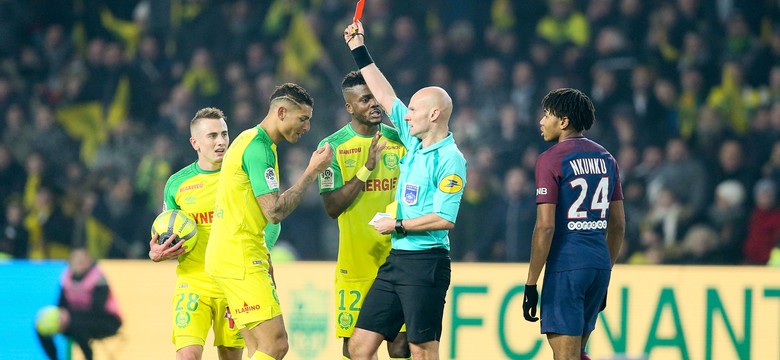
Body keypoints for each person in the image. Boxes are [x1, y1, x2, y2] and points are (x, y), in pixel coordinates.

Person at [342, 21, 467, 360]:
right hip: (397, 259)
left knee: (421, 350)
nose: (405, 116)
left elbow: (444, 218)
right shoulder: (414, 143)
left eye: (413, 110)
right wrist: (358, 49)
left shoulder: (451, 159)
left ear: (435, 114)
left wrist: (397, 225)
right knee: (359, 347)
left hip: (427, 262)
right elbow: (385, 94)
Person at [205, 83, 332, 360]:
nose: (307, 127)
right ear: (282, 112)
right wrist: (310, 172)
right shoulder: (259, 149)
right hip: (240, 256)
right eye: (303, 119)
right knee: (276, 344)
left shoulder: (251, 140)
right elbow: (273, 212)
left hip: (233, 254)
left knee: (257, 348)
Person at [148, 107, 280, 360]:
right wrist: (156, 250)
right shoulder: (177, 183)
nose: (220, 142)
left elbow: (272, 221)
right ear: (194, 142)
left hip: (233, 282)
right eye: (212, 136)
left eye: (224, 134)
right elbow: (167, 227)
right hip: (193, 282)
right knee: (188, 356)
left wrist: (258, 254)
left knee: (231, 356)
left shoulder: (243, 174)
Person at [522, 88, 625, 360]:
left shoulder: (550, 159)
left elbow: (545, 227)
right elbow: (617, 227)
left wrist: (531, 283)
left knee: (565, 357)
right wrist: (605, 270)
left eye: (547, 115)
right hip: (599, 264)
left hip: (567, 265)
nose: (541, 121)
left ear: (564, 122)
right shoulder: (607, 159)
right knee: (578, 352)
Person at [317, 71, 410, 360]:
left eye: (375, 97)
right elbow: (332, 208)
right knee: (356, 349)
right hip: (355, 265)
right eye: (365, 99)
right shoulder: (331, 147)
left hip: (397, 259)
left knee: (401, 345)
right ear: (349, 107)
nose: (374, 104)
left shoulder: (401, 141)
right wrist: (367, 167)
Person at [36, 248, 122, 360]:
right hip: (75, 320)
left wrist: (69, 315)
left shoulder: (98, 278)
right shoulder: (67, 278)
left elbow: (97, 308)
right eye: (75, 261)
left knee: (76, 324)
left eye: (81, 261)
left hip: (107, 321)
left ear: (89, 261)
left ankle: (88, 357)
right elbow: (61, 305)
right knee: (41, 326)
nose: (78, 264)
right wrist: (62, 317)